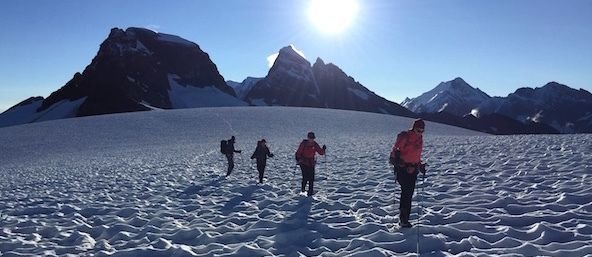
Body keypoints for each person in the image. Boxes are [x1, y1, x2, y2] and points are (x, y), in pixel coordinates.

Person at [389, 119, 427, 228]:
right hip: (403, 170)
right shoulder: (404, 137)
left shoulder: (420, 139)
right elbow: (395, 154)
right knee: (406, 193)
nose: (420, 132)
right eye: (419, 130)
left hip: (413, 170)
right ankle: (403, 219)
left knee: (408, 194)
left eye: (422, 130)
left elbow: (416, 156)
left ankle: (405, 219)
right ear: (414, 128)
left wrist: (419, 165)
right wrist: (405, 166)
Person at [295, 132, 326, 196]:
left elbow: (320, 152)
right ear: (308, 137)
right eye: (310, 138)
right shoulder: (303, 144)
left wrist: (323, 149)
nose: (311, 139)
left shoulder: (315, 144)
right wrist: (298, 159)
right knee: (305, 176)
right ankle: (303, 189)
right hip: (303, 162)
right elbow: (298, 152)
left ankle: (310, 192)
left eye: (312, 138)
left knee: (311, 177)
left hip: (311, 163)